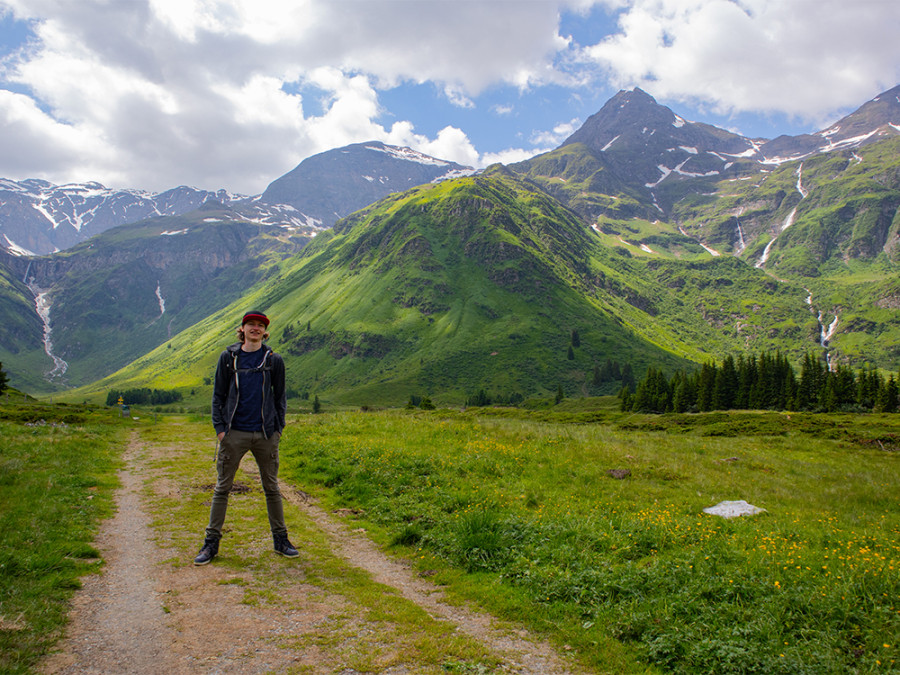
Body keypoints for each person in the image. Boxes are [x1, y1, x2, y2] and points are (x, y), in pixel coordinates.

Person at [194, 311, 299, 565]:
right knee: (222, 488)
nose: (255, 328)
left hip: (265, 434)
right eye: (251, 324)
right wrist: (221, 430)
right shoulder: (228, 358)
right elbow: (218, 396)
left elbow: (280, 397)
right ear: (242, 329)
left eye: (260, 325)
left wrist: (278, 429)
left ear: (265, 332)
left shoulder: (274, 360)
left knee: (272, 488)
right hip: (234, 433)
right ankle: (211, 544)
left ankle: (281, 540)